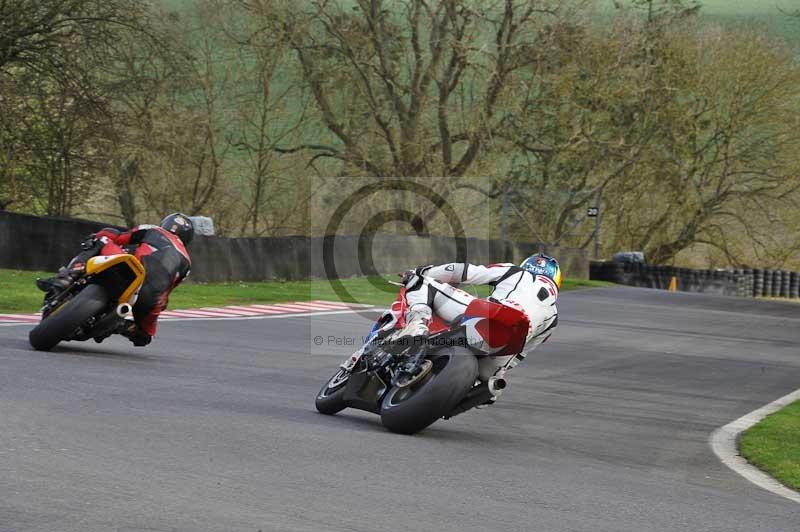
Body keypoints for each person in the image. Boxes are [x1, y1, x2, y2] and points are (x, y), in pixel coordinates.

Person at [395, 253, 560, 402]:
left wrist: (422, 271)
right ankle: (483, 390)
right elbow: (521, 354)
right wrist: (499, 373)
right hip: (507, 346)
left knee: (422, 283)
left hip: (491, 315)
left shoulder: (516, 271)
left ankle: (418, 327)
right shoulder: (553, 318)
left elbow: (464, 271)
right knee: (488, 387)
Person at [37, 213, 194, 346]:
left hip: (133, 269)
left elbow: (119, 237)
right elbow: (166, 293)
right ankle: (120, 326)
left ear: (165, 223)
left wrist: (96, 237)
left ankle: (69, 275)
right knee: (145, 336)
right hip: (150, 296)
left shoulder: (154, 230)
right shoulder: (187, 262)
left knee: (104, 239)